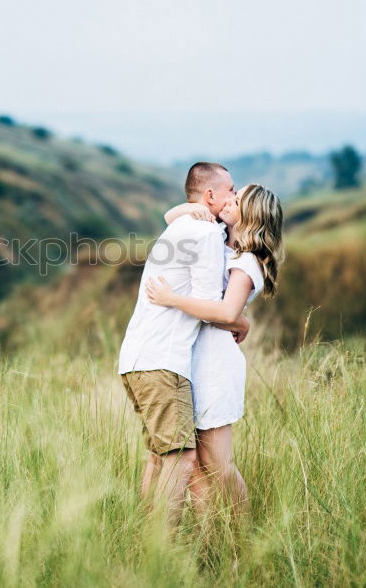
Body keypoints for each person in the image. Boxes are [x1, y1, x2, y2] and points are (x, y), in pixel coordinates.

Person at [145, 184, 284, 514]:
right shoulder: (218, 237)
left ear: (249, 216)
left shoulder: (247, 262)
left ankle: (243, 537)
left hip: (215, 367)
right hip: (192, 360)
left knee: (217, 464)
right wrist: (198, 211)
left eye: (236, 200)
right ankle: (209, 538)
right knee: (191, 464)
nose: (227, 201)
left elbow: (224, 312)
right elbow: (170, 216)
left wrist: (172, 300)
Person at [118, 162, 243, 525]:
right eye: (230, 189)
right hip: (163, 362)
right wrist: (240, 319)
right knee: (182, 460)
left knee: (159, 458)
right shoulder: (204, 236)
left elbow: (173, 214)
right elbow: (211, 309)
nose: (234, 195)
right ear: (210, 196)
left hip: (136, 360)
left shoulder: (181, 226)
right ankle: (161, 553)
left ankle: (144, 543)